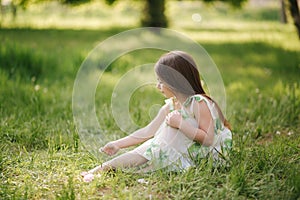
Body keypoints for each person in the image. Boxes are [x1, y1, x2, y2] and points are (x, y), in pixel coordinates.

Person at [81, 51, 232, 182]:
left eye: (161, 81)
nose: (157, 86)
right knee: (155, 144)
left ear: (175, 82)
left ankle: (113, 168)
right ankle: (103, 168)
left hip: (209, 156)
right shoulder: (171, 106)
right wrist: (118, 144)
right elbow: (147, 132)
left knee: (166, 137)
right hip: (189, 150)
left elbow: (208, 139)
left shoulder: (199, 103)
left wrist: (181, 124)